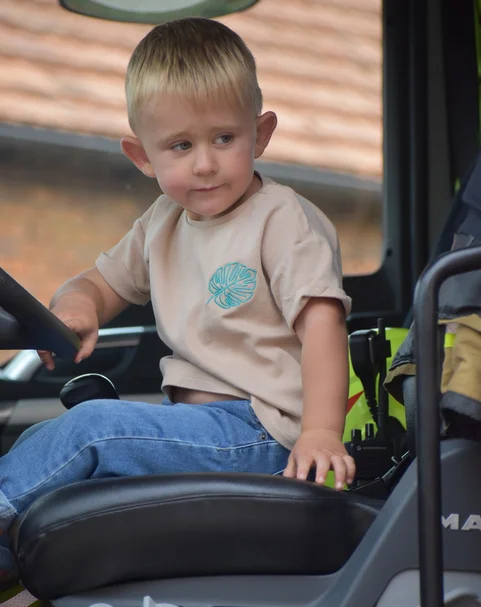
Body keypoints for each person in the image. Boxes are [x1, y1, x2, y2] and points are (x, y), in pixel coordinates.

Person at [0, 17, 355, 577]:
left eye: (224, 138)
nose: (206, 163)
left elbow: (323, 325)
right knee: (52, 435)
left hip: (262, 433)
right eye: (181, 146)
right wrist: (77, 309)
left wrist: (319, 432)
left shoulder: (282, 220)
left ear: (259, 135)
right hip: (197, 427)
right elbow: (95, 283)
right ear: (143, 157)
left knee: (91, 428)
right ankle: (12, 562)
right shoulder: (162, 222)